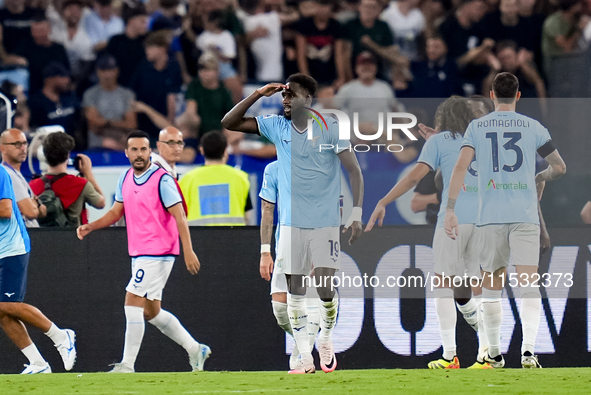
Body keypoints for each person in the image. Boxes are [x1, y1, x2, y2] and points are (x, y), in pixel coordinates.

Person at [221, 73, 364, 374]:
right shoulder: (277, 127)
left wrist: (357, 212)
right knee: (295, 293)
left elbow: (354, 171)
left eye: (291, 95)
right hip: (290, 225)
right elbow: (229, 123)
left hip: (325, 221)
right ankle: (304, 357)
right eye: (283, 95)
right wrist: (259, 93)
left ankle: (325, 337)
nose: (285, 100)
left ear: (308, 99)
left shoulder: (330, 128)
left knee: (325, 289)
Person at [443, 72, 567, 368]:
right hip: (524, 215)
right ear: (519, 96)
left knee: (491, 286)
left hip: (491, 217)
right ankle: (528, 352)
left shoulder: (477, 126)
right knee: (528, 284)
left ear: (492, 95)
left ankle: (496, 354)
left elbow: (461, 167)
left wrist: (450, 207)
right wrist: (540, 176)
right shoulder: (533, 127)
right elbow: (560, 167)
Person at [366, 97, 490, 369]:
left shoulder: (438, 141)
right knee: (478, 284)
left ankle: (450, 355)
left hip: (452, 218)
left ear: (443, 118)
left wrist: (383, 201)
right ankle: (487, 355)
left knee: (443, 285)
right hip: (483, 219)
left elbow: (413, 177)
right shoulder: (482, 138)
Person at [76, 130, 211, 373]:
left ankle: (127, 365)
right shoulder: (125, 177)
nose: (139, 154)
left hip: (159, 251)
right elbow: (116, 212)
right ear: (126, 153)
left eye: (143, 149)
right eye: (134, 150)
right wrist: (92, 226)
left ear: (150, 152)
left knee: (132, 299)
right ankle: (195, 349)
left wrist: (188, 250)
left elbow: (180, 216)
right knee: (151, 311)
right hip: (139, 252)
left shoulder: (162, 179)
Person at [0, 164, 76, 374]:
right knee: (2, 311)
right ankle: (38, 364)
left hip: (11, 247)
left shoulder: (0, 173)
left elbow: (5, 211)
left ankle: (61, 336)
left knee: (8, 305)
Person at [259, 160, 321, 370]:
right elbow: (267, 209)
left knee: (302, 300)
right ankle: (304, 344)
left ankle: (303, 359)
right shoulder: (273, 169)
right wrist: (265, 251)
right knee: (279, 308)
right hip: (283, 242)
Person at [29, 132, 105, 227]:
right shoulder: (80, 184)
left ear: (44, 154)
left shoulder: (32, 185)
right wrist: (88, 174)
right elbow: (101, 203)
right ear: (68, 155)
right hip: (74, 239)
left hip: (44, 239)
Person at [179, 131, 251, 226]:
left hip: (197, 238)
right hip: (233, 238)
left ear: (202, 150)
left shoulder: (187, 179)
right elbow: (247, 216)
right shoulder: (241, 177)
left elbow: (179, 215)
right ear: (225, 151)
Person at [130, 31, 183, 143]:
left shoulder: (173, 68)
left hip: (163, 121)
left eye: (150, 48)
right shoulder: (143, 66)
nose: (146, 51)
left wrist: (170, 123)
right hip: (143, 121)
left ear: (162, 49)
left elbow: (172, 97)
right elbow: (132, 92)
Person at [82, 54, 137, 150]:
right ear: (98, 72)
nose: (107, 75)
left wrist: (107, 122)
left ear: (116, 71)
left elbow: (131, 125)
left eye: (110, 70)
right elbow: (94, 125)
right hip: (98, 145)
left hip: (122, 144)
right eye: (103, 71)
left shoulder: (127, 94)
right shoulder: (90, 94)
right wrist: (119, 124)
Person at [12, 14, 70, 95]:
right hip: (34, 91)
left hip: (58, 91)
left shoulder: (59, 49)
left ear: (49, 29)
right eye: (35, 31)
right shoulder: (25, 48)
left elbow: (67, 70)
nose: (38, 34)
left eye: (41, 30)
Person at [1, 129, 46, 227]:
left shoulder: (15, 173)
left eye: (25, 143)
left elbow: (43, 211)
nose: (23, 148)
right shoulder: (7, 174)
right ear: (2, 148)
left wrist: (35, 204)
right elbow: (31, 212)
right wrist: (34, 204)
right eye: (17, 144)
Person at [183, 54, 234, 137]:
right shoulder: (194, 86)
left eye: (208, 69)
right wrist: (191, 119)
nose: (204, 73)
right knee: (184, 123)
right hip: (197, 130)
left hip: (218, 130)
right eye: (201, 69)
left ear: (216, 71)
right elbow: (191, 108)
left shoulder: (223, 91)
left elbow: (230, 116)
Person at [28, 63, 81, 139]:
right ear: (49, 79)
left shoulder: (70, 97)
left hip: (72, 144)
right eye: (62, 77)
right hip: (48, 145)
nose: (67, 80)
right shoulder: (36, 102)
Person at [105, 3, 148, 87]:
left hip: (143, 89)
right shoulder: (116, 41)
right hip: (119, 89)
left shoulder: (147, 41)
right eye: (142, 21)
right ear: (131, 21)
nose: (145, 25)